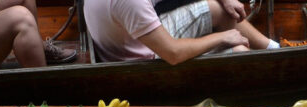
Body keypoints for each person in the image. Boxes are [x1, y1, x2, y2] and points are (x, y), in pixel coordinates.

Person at [84, 0, 277, 64]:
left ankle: (274, 49)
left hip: (138, 36)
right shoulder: (130, 2)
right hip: (142, 60)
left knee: (219, 8)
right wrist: (222, 37)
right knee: (240, 54)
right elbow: (172, 54)